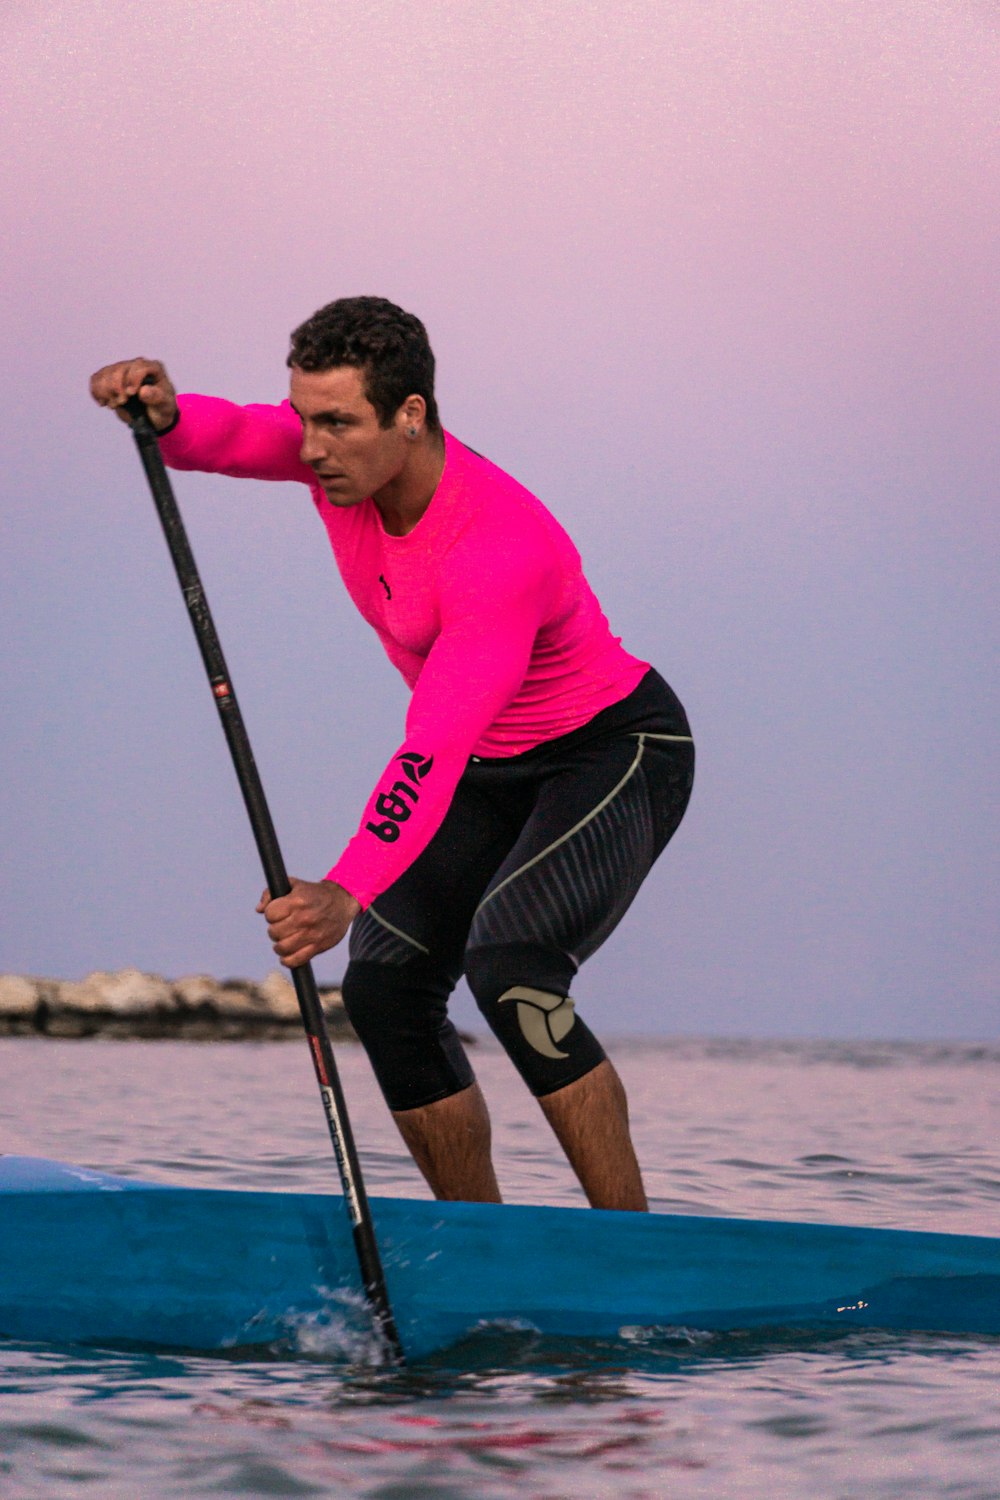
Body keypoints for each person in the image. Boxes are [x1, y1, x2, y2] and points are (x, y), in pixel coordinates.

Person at [90, 296, 694, 1212]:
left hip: (609, 753)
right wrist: (167, 412)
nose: (311, 444)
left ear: (410, 415)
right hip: (487, 762)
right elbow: (231, 437)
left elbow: (435, 744)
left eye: (337, 423)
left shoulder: (496, 547)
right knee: (383, 986)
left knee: (515, 970)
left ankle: (634, 1250)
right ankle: (475, 1246)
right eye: (305, 416)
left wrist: (345, 887)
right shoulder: (335, 468)